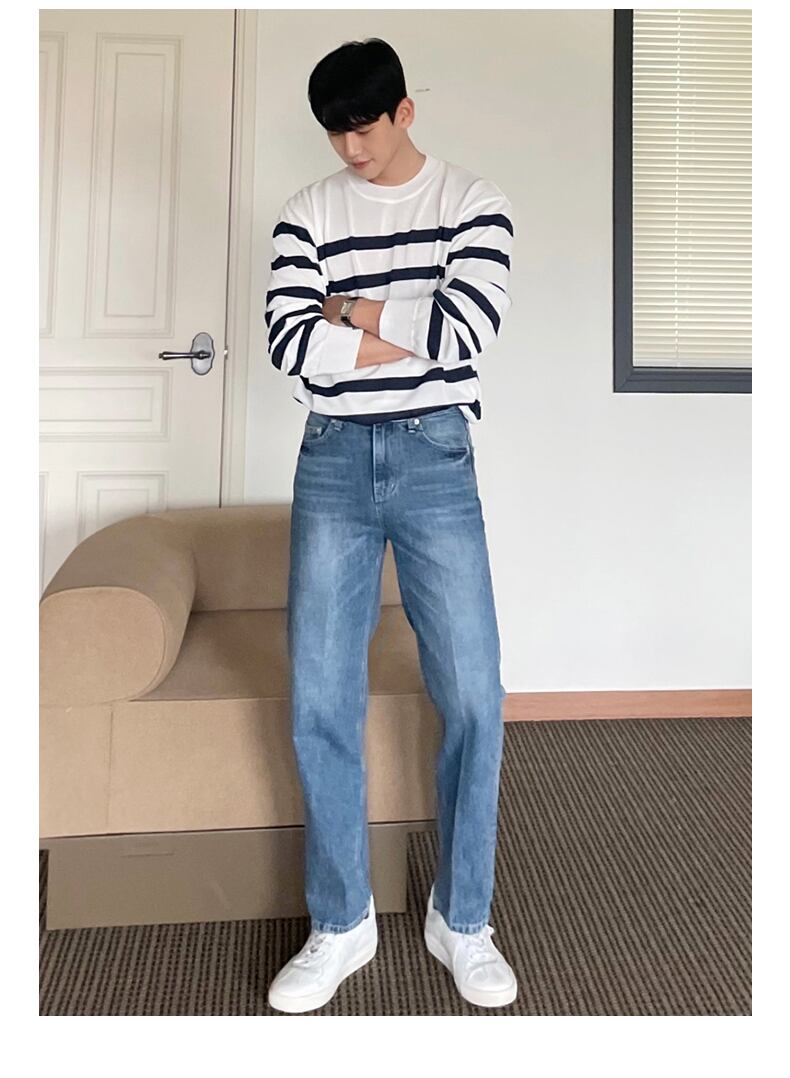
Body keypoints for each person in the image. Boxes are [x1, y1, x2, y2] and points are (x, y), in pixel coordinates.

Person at [265, 37, 517, 1013]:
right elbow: (293, 345)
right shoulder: (306, 212)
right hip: (331, 459)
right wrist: (398, 327)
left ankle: (463, 917)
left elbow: (468, 332)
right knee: (320, 697)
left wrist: (356, 310)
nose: (350, 148)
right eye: (334, 132)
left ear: (404, 111)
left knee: (474, 693)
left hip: (434, 458)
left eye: (364, 127)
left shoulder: (472, 202)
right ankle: (341, 921)